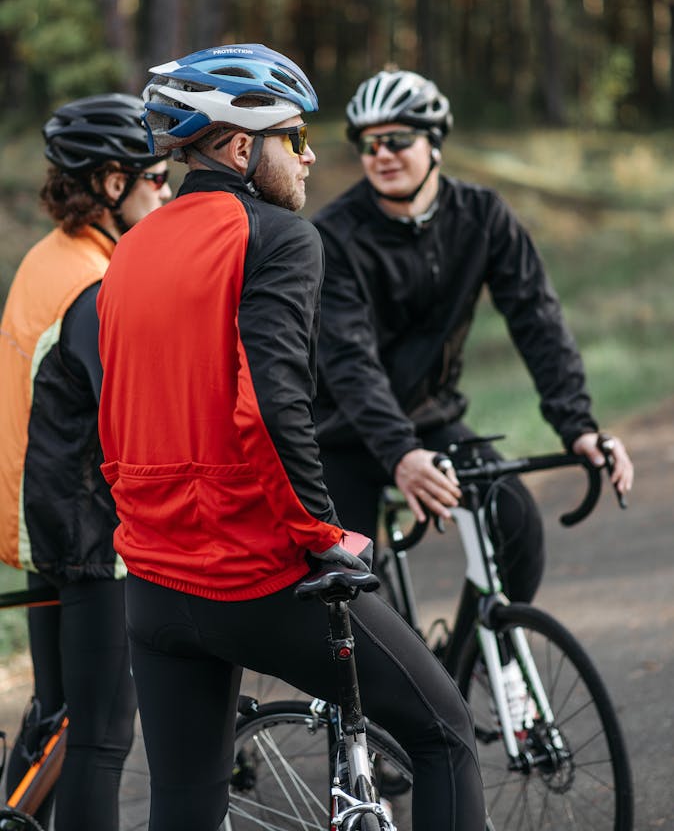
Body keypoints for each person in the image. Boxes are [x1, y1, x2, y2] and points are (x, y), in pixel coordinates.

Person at [96, 44, 486, 831]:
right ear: (243, 147)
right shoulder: (276, 236)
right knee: (445, 733)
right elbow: (274, 407)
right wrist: (323, 536)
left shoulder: (128, 251)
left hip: (153, 582)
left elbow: (119, 411)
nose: (310, 158)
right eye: (296, 137)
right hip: (252, 573)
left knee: (183, 799)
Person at [311, 68, 634, 707]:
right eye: (367, 144)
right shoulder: (334, 234)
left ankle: (464, 666)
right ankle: (379, 719)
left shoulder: (482, 217)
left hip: (431, 418)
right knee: (356, 587)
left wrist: (579, 426)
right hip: (343, 431)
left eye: (397, 139)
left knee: (513, 518)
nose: (381, 155)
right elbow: (348, 362)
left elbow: (538, 320)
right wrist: (399, 453)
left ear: (435, 142)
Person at [0, 94, 172, 831]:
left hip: (41, 524)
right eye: (156, 177)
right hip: (88, 536)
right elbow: (132, 422)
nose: (165, 192)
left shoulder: (52, 257)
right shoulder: (97, 288)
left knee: (57, 717)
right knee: (101, 739)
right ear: (111, 182)